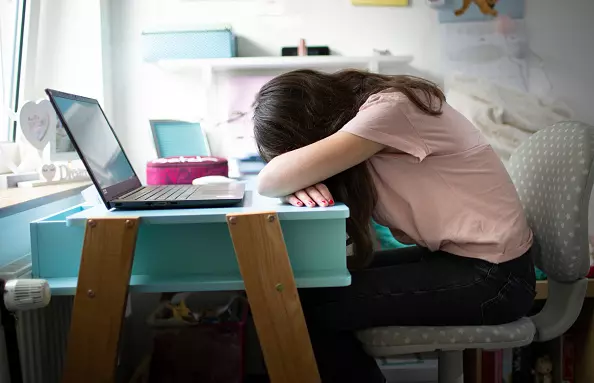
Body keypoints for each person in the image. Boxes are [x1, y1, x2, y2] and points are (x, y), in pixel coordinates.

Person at [253, 69, 535, 382]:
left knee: (303, 307)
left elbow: (268, 179)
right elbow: (278, 177)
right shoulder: (378, 115)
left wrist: (292, 176)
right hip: (468, 264)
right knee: (305, 290)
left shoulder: (392, 109)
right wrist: (296, 179)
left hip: (497, 279)